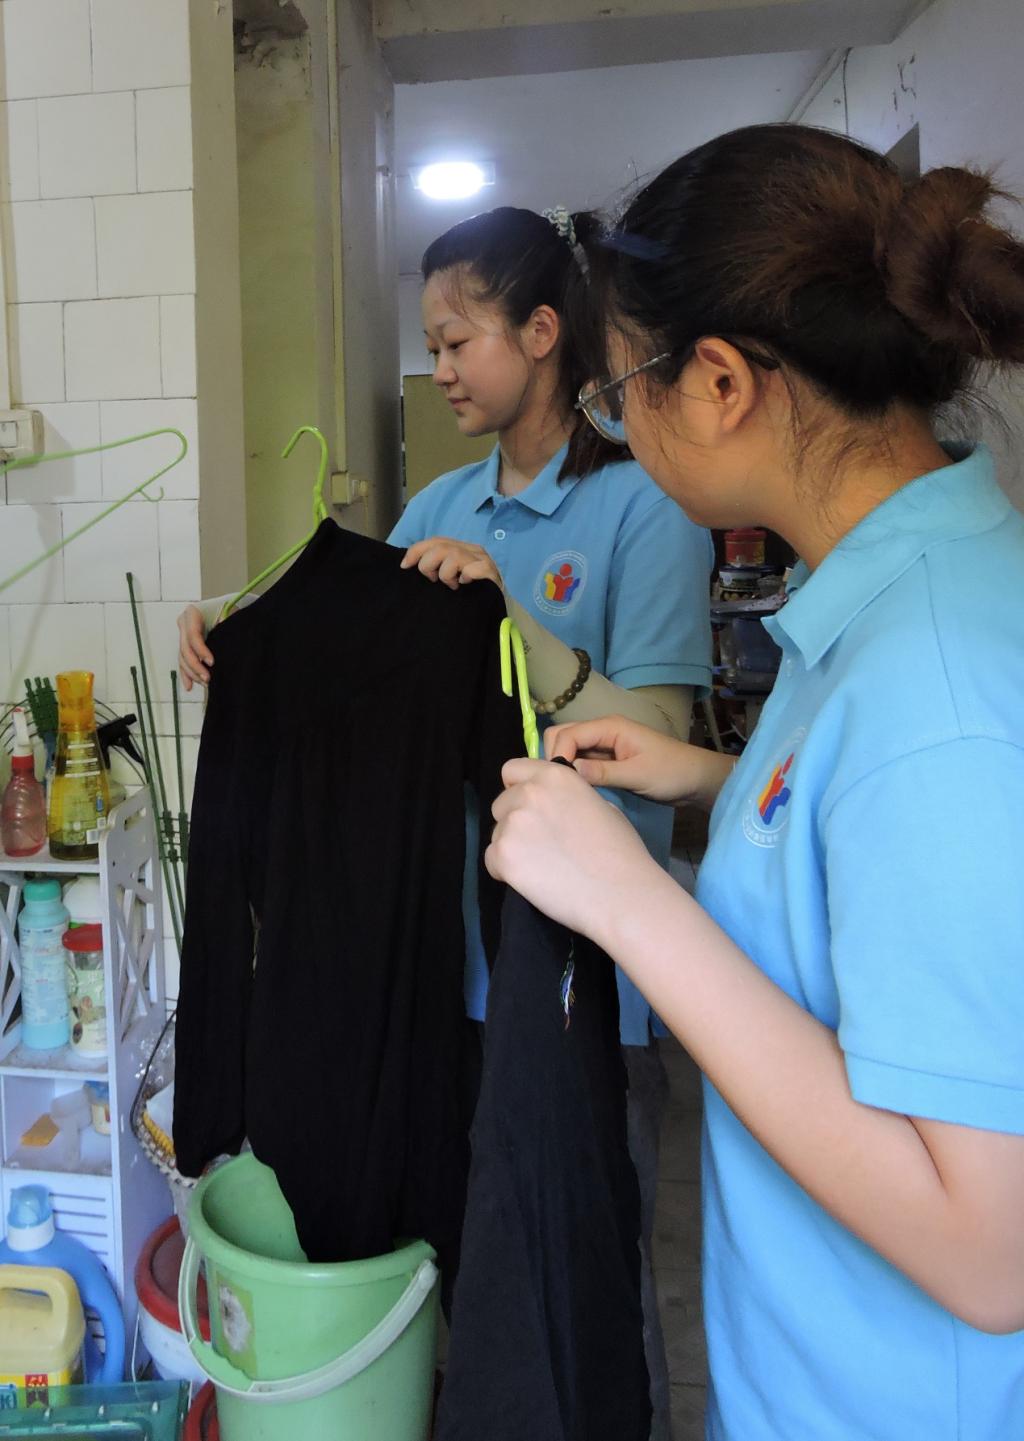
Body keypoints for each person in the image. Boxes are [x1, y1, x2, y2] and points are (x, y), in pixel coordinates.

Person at [485, 125, 1024, 1439]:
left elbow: (991, 1249)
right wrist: (718, 781)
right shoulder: (893, 597)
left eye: (622, 392)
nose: (621, 427)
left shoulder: (937, 684)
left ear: (721, 382)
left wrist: (632, 904)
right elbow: (879, 872)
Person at [177, 204, 714, 1439]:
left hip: (586, 979)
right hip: (437, 977)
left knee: (581, 1266)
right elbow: (355, 654)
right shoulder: (436, 507)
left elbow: (662, 742)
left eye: (457, 341)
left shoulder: (644, 512)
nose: (439, 369)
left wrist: (510, 620)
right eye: (428, 345)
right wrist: (236, 632)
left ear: (541, 333)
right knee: (466, 1270)